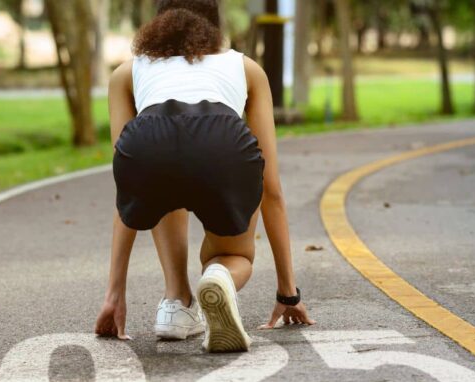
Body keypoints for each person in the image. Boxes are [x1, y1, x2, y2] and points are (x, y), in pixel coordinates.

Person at [94, 0, 314, 353]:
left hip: (150, 147)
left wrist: (114, 295)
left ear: (159, 21)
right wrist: (288, 292)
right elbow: (271, 189)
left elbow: (129, 188)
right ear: (214, 24)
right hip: (222, 143)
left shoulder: (127, 72)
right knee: (234, 255)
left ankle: (175, 304)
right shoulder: (246, 68)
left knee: (159, 176)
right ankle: (219, 277)